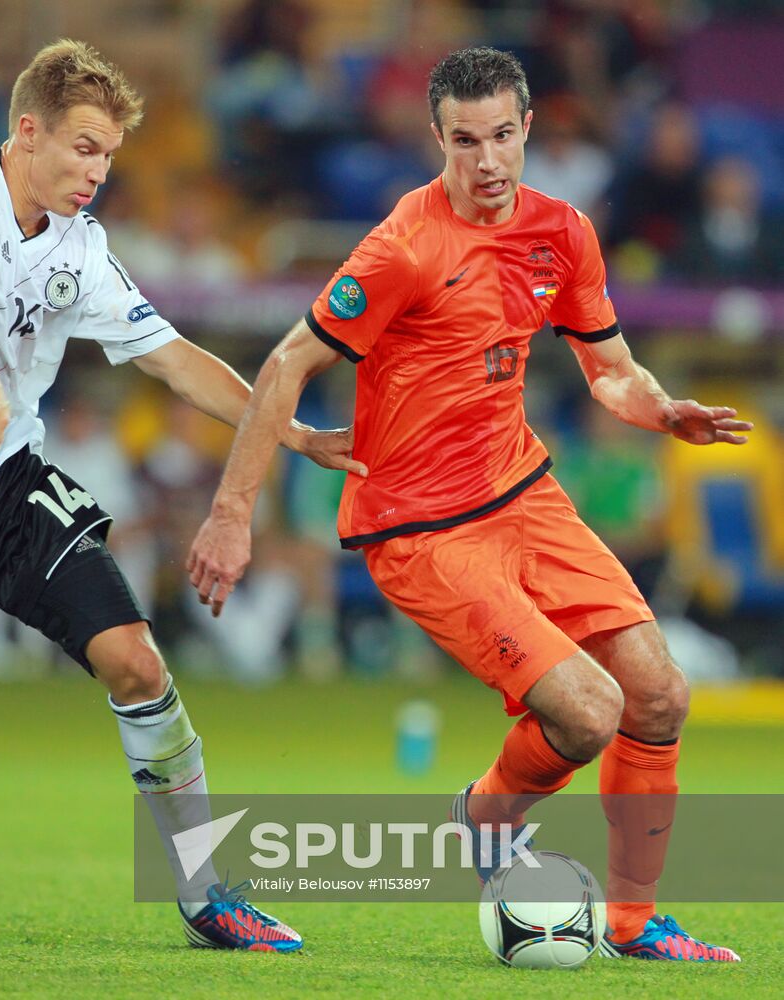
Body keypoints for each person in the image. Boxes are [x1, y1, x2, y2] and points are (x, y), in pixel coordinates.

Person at [188, 46, 750, 963]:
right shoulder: (405, 246)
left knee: (659, 694)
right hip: (418, 526)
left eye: (501, 137)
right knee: (586, 712)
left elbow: (608, 371)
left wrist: (659, 409)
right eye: (463, 141)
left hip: (522, 494)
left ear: (528, 129)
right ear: (437, 139)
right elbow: (290, 359)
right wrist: (231, 512)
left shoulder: (563, 232)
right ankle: (487, 819)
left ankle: (636, 923)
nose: (486, 161)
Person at [0, 38, 359, 953]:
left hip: (2, 482)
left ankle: (205, 894)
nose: (98, 171)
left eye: (108, 155)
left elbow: (175, 358)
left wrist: (287, 431)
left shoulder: (84, 248)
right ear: (28, 132)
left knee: (137, 660)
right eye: (83, 148)